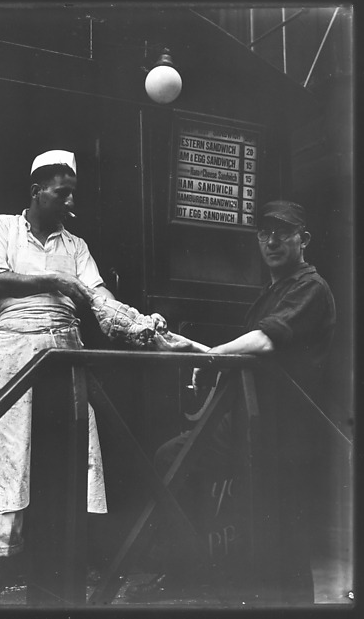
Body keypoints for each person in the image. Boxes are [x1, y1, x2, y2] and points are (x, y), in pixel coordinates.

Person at [129, 200, 336, 605]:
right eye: (264, 232)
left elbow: (264, 341)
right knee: (173, 457)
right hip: (250, 421)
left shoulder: (311, 287)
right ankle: (186, 571)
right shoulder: (273, 292)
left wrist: (211, 356)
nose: (272, 241)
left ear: (303, 240)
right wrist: (192, 347)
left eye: (283, 232)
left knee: (282, 538)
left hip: (286, 432)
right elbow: (246, 353)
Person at [0, 150, 115, 595]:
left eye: (74, 192)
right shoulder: (3, 228)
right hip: (15, 346)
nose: (70, 201)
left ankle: (77, 552)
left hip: (66, 347)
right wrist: (53, 282)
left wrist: (118, 311)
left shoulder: (76, 245)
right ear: (37, 192)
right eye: (62, 192)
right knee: (7, 448)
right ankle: (0, 558)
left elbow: (94, 290)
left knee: (77, 445)